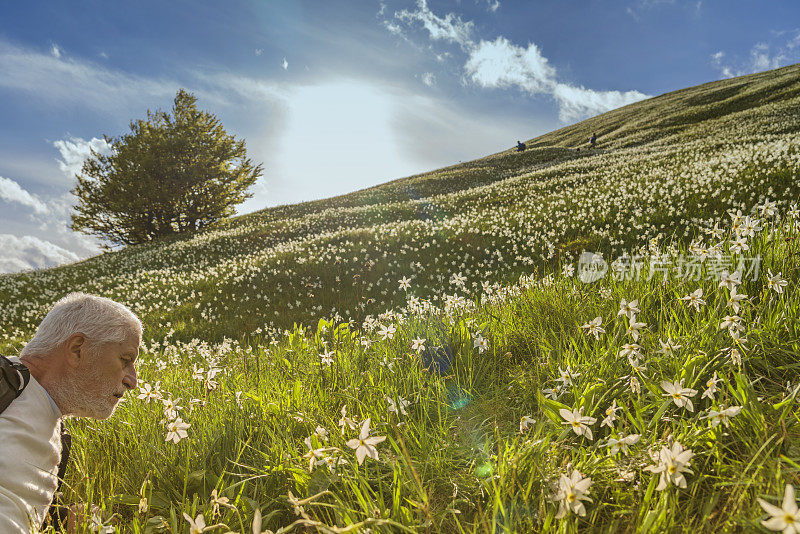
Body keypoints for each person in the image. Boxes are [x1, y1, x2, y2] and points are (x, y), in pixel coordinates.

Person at [0, 293, 142, 533]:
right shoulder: (5, 381)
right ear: (77, 349)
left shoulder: (57, 430)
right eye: (125, 359)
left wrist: (61, 518)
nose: (132, 381)